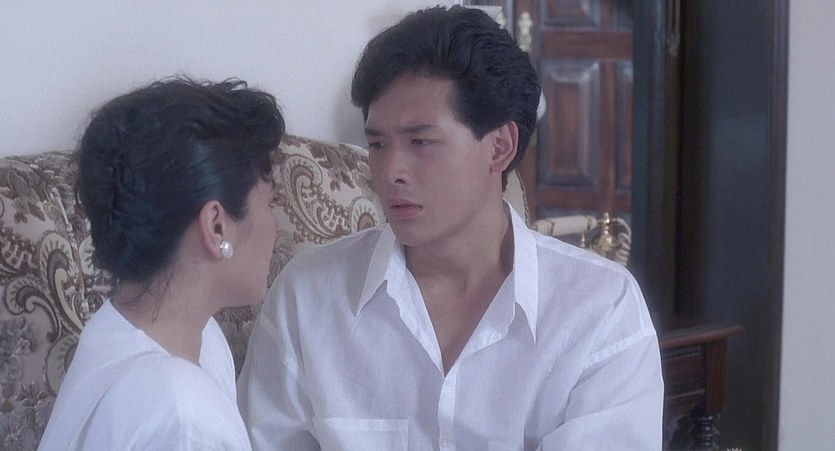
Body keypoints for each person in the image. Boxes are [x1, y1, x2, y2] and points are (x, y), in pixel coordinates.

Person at [238, 5, 663, 450]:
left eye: (421, 142)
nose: (391, 172)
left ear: (499, 147)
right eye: (378, 144)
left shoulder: (599, 308)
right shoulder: (307, 298)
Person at [39, 77, 284, 450]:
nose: (276, 226)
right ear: (216, 226)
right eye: (270, 203)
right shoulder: (180, 413)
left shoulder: (167, 336)